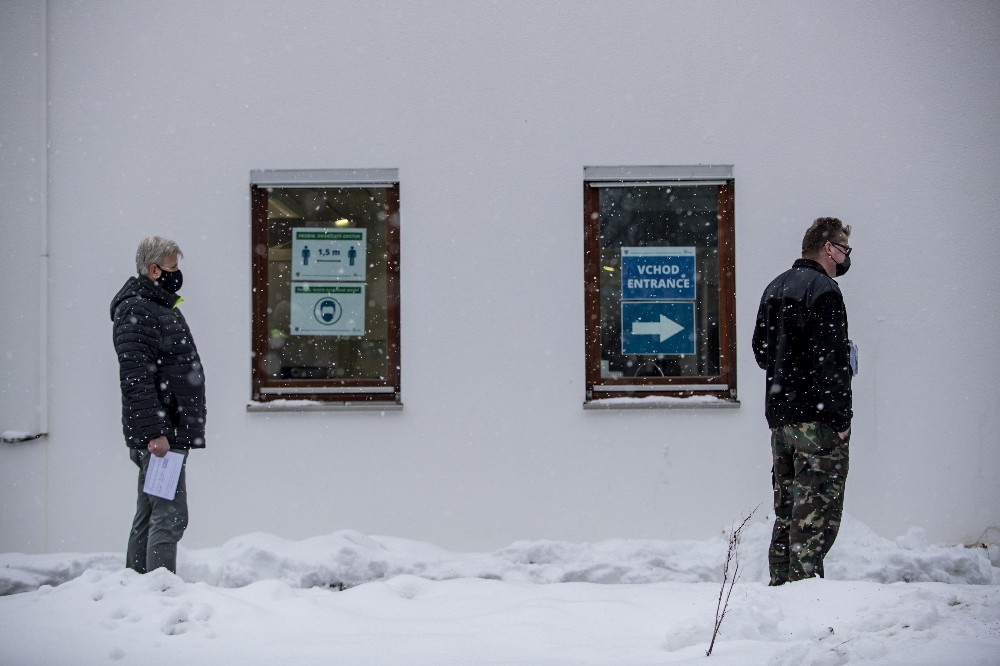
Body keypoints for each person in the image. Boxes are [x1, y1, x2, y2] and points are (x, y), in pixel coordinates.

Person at [752, 217, 854, 585]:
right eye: (844, 249)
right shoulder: (825, 290)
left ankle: (779, 593)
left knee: (788, 511)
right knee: (816, 518)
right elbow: (832, 362)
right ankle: (806, 601)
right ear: (829, 248)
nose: (845, 257)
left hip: (781, 419)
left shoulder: (775, 287)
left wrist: (786, 368)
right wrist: (841, 420)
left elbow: (760, 351)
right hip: (817, 421)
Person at [110, 236, 206, 574]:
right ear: (153, 270)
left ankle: (137, 587)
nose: (177, 274)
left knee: (151, 513)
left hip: (167, 430)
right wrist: (155, 433)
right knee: (170, 515)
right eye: (172, 267)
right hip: (162, 437)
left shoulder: (156, 306)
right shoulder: (140, 309)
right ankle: (159, 591)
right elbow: (136, 376)